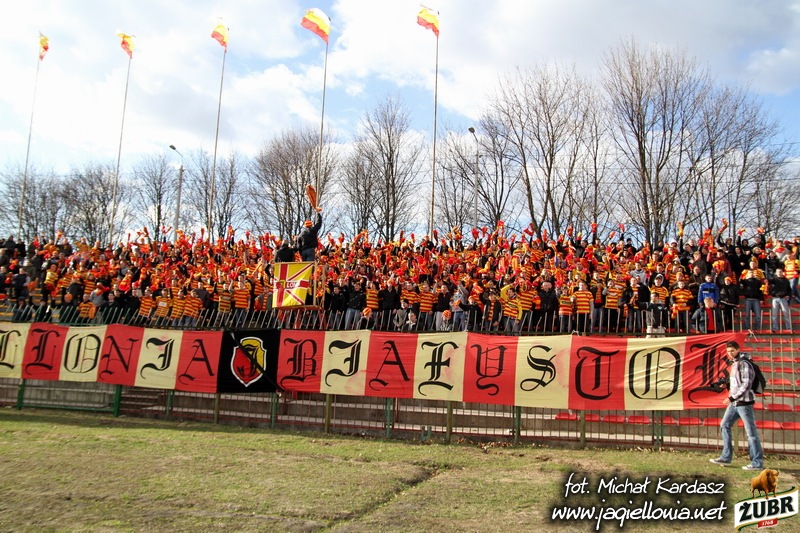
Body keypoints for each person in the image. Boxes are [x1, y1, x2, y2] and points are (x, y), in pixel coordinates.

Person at [710, 340, 764, 471]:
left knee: (751, 432)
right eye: (728, 351)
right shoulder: (735, 363)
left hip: (744, 403)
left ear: (738, 349)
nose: (730, 353)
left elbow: (746, 384)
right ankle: (726, 456)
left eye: (732, 351)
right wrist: (727, 386)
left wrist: (732, 397)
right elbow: (737, 383)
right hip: (735, 403)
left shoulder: (744, 364)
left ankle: (757, 462)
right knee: (724, 425)